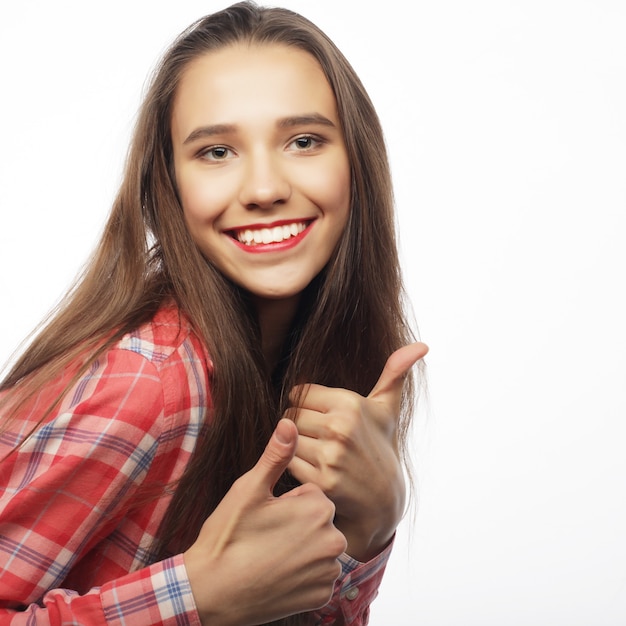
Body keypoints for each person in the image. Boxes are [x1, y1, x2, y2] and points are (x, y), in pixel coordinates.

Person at [0, 2, 427, 624]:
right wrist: (195, 599)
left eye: (303, 141)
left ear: (357, 164)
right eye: (217, 152)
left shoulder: (330, 371)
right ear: (167, 186)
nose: (262, 188)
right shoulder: (147, 382)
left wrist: (371, 523)